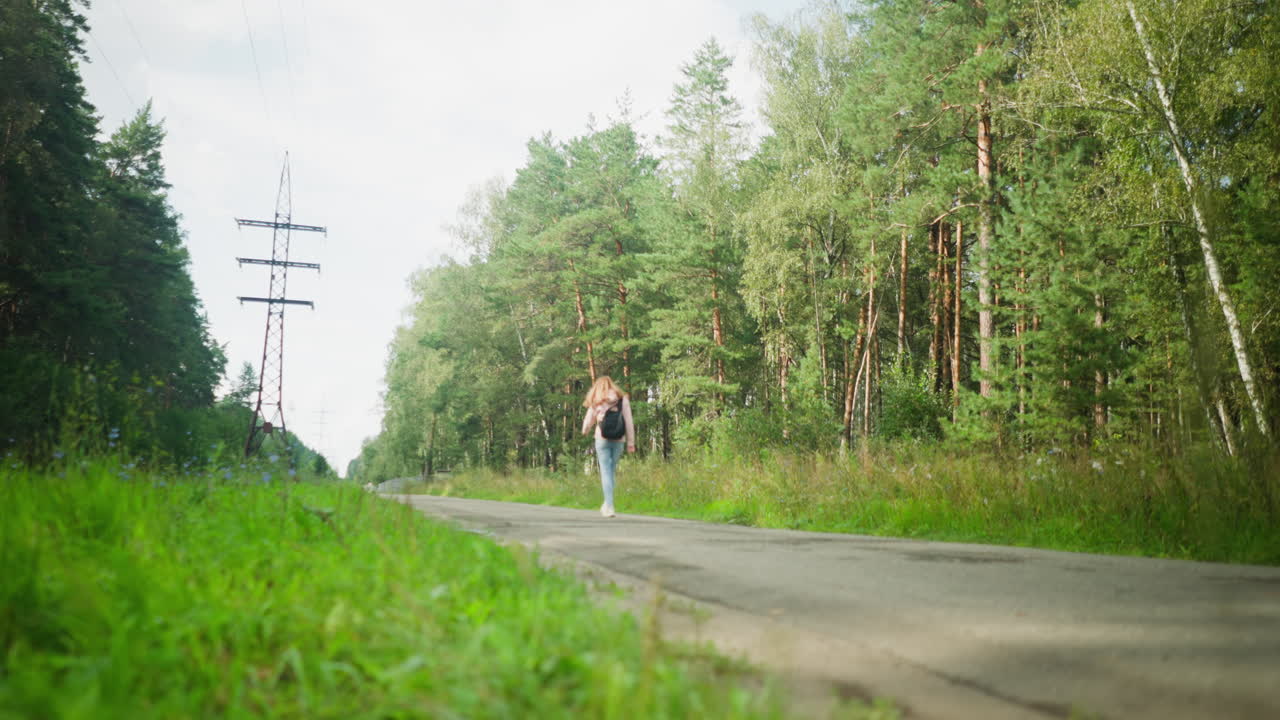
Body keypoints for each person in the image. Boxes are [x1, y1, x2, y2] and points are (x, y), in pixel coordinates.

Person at [580, 375, 635, 517]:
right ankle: (607, 503)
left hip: (602, 439)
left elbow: (588, 420)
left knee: (606, 472)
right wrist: (631, 443)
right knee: (610, 471)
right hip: (619, 439)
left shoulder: (597, 401)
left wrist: (585, 430)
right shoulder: (623, 400)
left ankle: (609, 506)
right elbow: (629, 422)